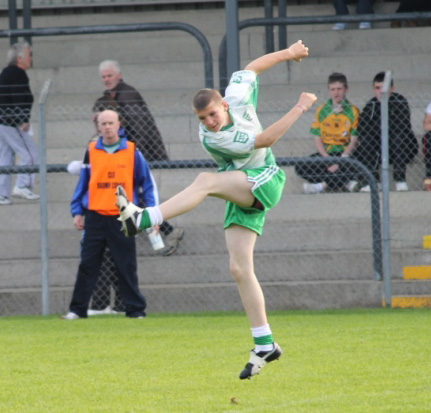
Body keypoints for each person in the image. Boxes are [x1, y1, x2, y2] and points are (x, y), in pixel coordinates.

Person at [115, 40, 317, 379]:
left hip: (264, 180)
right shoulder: (213, 138)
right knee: (239, 269)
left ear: (224, 104)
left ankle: (145, 217)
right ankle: (264, 344)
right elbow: (265, 139)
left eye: (212, 113)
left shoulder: (236, 95)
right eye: (202, 117)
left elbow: (251, 68)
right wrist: (300, 106)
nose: (209, 121)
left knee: (206, 181)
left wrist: (287, 54)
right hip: (241, 187)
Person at [61, 109, 158, 319]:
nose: (107, 127)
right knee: (88, 264)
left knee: (126, 264)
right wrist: (77, 211)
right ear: (98, 126)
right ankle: (77, 310)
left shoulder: (132, 151)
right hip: (95, 215)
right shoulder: (91, 151)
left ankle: (135, 310)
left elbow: (147, 185)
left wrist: (153, 213)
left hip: (123, 217)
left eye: (110, 123)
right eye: (103, 123)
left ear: (119, 124)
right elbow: (83, 183)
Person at [94, 60, 184, 256]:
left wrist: (133, 157)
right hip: (125, 156)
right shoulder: (109, 98)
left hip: (137, 155)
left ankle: (166, 232)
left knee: (137, 198)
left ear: (119, 75)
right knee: (134, 199)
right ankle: (165, 234)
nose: (106, 80)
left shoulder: (128, 95)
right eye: (103, 77)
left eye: (109, 76)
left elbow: (141, 129)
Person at [295, 72, 359, 194]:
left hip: (344, 154)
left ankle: (321, 186)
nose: (336, 93)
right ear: (329, 91)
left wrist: (340, 161)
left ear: (346, 89)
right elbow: (317, 138)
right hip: (327, 153)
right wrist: (326, 159)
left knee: (356, 164)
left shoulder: (353, 111)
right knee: (300, 166)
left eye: (339, 89)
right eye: (333, 89)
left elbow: (354, 141)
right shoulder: (321, 110)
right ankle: (345, 182)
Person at [353, 72, 418, 192]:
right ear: (373, 89)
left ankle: (400, 180)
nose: (381, 92)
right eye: (377, 88)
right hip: (378, 148)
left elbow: (402, 126)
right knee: (366, 141)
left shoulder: (399, 101)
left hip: (401, 148)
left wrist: (377, 128)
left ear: (392, 88)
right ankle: (373, 181)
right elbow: (362, 129)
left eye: (384, 88)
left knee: (398, 137)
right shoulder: (371, 105)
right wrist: (380, 130)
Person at [0, 41, 39, 205]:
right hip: (10, 122)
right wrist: (22, 119)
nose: (31, 58)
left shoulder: (8, 72)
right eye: (29, 55)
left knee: (5, 156)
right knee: (30, 154)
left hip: (3, 121)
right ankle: (22, 186)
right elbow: (17, 97)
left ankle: (2, 194)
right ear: (19, 58)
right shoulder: (17, 73)